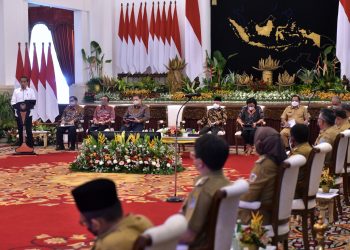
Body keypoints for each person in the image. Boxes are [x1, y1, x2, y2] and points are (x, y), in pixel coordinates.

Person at [72, 178, 153, 250]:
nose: (83, 222)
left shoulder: (109, 245)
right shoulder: (141, 221)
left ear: (96, 224)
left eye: (84, 222)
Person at [180, 134, 230, 249]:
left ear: (199, 162)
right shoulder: (228, 184)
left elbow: (189, 235)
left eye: (194, 155)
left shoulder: (203, 190)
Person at [239, 127, 287, 224]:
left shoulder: (264, 165)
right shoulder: (281, 160)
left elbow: (248, 197)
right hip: (276, 214)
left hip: (260, 218)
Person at [11, 76, 36, 147]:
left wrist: (26, 105)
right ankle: (21, 146)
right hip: (19, 114)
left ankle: (30, 146)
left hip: (28, 114)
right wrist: (18, 106)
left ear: (27, 82)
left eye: (24, 81)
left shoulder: (31, 91)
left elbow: (33, 101)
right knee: (20, 130)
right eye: (21, 82)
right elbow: (13, 102)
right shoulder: (16, 91)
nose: (23, 83)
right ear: (20, 82)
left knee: (28, 130)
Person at [289, 124, 313, 199]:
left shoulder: (299, 153)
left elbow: (286, 170)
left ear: (292, 138)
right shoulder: (308, 147)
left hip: (296, 191)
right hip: (307, 186)